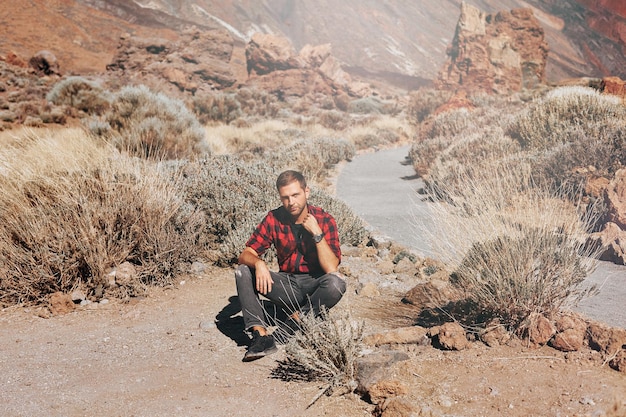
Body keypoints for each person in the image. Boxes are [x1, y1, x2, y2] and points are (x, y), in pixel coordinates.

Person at [235, 170, 346, 362]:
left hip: (316, 285)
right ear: (280, 197)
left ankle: (296, 321)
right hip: (289, 285)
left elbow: (331, 269)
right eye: (285, 197)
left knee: (336, 284)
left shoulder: (324, 219)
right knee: (243, 271)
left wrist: (317, 233)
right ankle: (261, 337)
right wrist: (259, 263)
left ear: (306, 192)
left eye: (295, 195)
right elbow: (246, 254)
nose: (291, 202)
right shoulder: (274, 218)